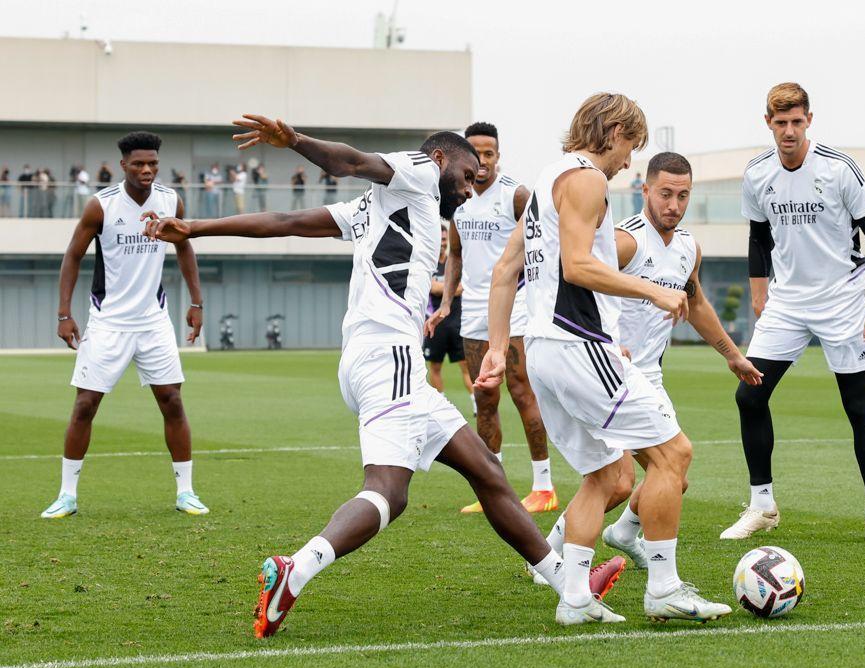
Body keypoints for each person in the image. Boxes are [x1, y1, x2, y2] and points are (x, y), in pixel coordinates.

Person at [142, 114, 623, 638]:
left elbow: (286, 222)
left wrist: (195, 228)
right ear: (438, 159)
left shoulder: (372, 208)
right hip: (389, 356)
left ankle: (568, 586)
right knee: (389, 493)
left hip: (379, 361)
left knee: (485, 469)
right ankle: (294, 569)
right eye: (464, 174)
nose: (468, 188)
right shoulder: (417, 171)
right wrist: (296, 141)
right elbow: (351, 161)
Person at [480, 93, 730, 624]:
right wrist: (654, 291)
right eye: (630, 147)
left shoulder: (547, 180)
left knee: (610, 476)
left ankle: (573, 598)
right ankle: (663, 587)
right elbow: (576, 266)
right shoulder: (587, 179)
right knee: (674, 455)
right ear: (613, 131)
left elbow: (505, 272)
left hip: (546, 350)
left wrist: (499, 350)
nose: (627, 163)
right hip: (577, 344)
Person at [534, 151, 763, 571]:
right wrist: (607, 339)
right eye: (664, 194)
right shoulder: (625, 241)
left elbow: (695, 303)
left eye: (682, 195)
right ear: (645, 191)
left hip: (649, 378)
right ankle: (548, 557)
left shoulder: (688, 248)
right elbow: (583, 281)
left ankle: (621, 534)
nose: (673, 204)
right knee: (619, 481)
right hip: (604, 371)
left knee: (673, 476)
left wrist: (733, 356)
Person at [725, 82, 865, 543]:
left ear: (809, 120)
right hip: (787, 301)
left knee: (858, 405)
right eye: (780, 123)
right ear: (768, 123)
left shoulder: (839, 168)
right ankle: (762, 506)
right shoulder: (757, 173)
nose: (789, 131)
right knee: (750, 397)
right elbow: (758, 238)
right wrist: (759, 296)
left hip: (843, 297)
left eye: (796, 122)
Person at [40, 131, 206, 520]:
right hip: (108, 322)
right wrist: (64, 313)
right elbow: (73, 255)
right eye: (139, 164)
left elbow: (184, 247)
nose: (147, 170)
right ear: (123, 166)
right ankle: (67, 495)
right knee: (85, 405)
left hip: (153, 321)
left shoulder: (171, 201)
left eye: (152, 164)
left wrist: (196, 301)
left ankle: (186, 492)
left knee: (173, 402)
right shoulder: (101, 205)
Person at [428, 121, 557, 515]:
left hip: (514, 308)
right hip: (472, 315)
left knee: (521, 392)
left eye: (489, 153)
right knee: (483, 397)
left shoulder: (516, 196)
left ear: (498, 156)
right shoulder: (458, 200)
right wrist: (447, 302)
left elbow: (544, 247)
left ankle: (544, 486)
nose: (482, 161)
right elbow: (456, 257)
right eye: (476, 153)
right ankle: (494, 488)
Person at [425, 225, 472, 396]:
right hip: (435, 324)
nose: (442, 243)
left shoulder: (456, 262)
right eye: (440, 239)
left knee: (466, 365)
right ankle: (441, 402)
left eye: (445, 239)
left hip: (457, 321)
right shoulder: (428, 262)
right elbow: (431, 288)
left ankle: (476, 405)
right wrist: (452, 286)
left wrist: (442, 287)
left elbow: (463, 286)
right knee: (435, 366)